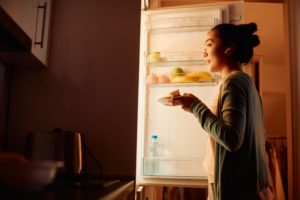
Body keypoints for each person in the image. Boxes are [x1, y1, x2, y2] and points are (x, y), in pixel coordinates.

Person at [174, 23, 274, 200]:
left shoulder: (233, 83)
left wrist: (195, 106)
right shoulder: (246, 82)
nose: (204, 52)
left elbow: (232, 138)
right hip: (246, 187)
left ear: (229, 49)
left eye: (209, 44)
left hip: (236, 190)